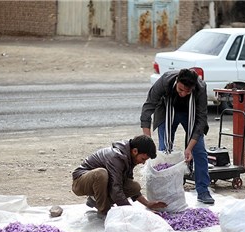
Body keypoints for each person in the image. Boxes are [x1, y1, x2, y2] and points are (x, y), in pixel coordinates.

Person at [140, 68, 215, 204]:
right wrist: (147, 141)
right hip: (167, 112)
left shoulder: (200, 88)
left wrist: (189, 148)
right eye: (180, 90)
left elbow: (201, 120)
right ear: (177, 81)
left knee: (199, 151)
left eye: (188, 91)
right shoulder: (164, 82)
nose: (183, 94)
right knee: (165, 153)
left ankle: (203, 190)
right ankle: (165, 192)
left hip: (190, 115)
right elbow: (147, 109)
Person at [71, 135, 167, 217]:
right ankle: (104, 211)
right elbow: (116, 189)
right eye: (143, 159)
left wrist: (147, 203)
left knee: (134, 186)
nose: (142, 162)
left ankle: (95, 200)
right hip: (80, 181)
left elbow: (125, 183)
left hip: (99, 182)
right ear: (135, 151)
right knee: (101, 174)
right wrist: (132, 213)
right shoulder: (116, 157)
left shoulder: (129, 158)